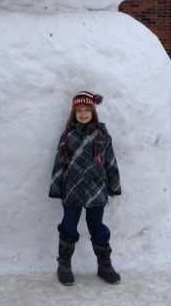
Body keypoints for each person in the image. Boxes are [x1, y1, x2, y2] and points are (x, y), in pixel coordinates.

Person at [48, 90, 122, 286]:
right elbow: (59, 163)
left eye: (86, 110)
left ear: (93, 111)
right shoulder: (68, 136)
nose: (82, 114)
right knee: (68, 226)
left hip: (96, 190)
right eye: (79, 110)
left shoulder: (102, 135)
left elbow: (111, 162)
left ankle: (104, 265)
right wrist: (57, 187)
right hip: (72, 190)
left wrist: (114, 186)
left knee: (97, 227)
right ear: (74, 113)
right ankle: (64, 264)